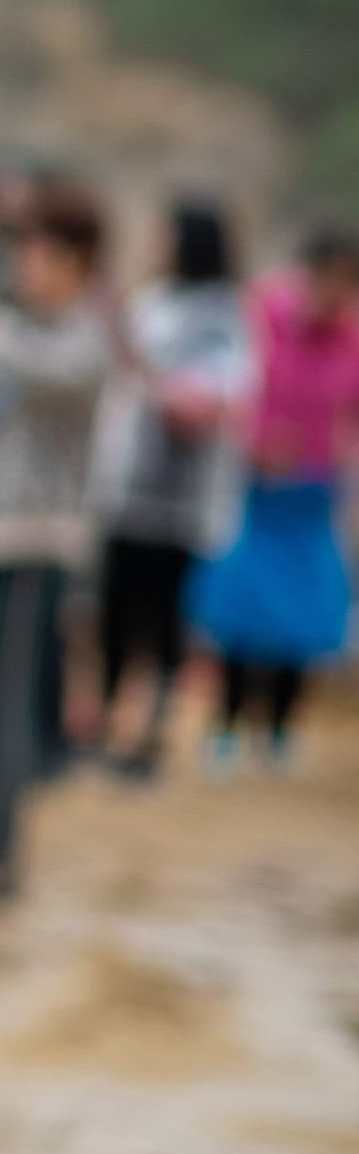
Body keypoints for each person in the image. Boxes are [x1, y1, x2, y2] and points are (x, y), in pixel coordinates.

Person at [0, 184, 114, 904]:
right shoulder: (20, 328)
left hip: (31, 545)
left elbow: (28, 367)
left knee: (6, 705)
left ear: (77, 260)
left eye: (38, 249)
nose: (26, 263)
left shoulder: (83, 340)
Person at [191, 225, 359, 773]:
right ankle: (230, 721)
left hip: (314, 490)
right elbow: (237, 378)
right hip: (260, 483)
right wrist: (257, 439)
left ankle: (282, 725)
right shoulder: (266, 311)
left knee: (306, 613)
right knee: (244, 606)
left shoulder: (353, 337)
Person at [89, 201, 247, 776]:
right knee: (115, 613)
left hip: (181, 499)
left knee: (166, 618)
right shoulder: (155, 301)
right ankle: (105, 720)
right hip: (128, 488)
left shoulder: (222, 315)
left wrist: (142, 364)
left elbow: (210, 399)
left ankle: (149, 734)